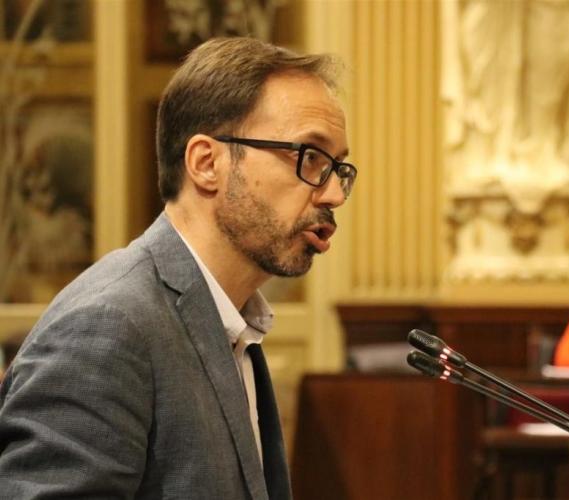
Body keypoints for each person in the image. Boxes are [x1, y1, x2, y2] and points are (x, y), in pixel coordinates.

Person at [0, 37, 356, 499]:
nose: (334, 194)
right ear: (207, 163)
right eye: (310, 157)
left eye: (339, 168)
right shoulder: (106, 326)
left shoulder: (233, 322)